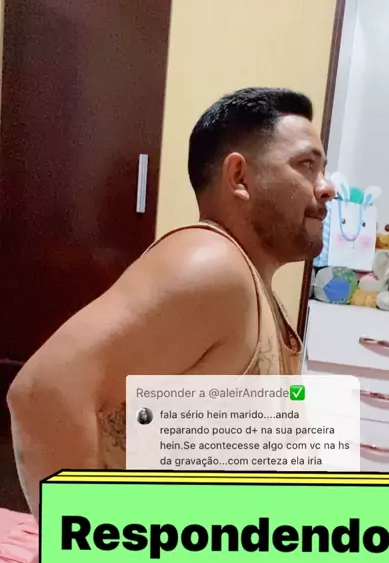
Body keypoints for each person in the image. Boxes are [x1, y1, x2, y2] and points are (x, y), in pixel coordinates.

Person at [7, 87, 335, 516]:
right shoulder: (212, 265)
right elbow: (41, 393)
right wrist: (83, 547)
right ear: (240, 177)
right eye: (307, 165)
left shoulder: (251, 284)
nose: (327, 187)